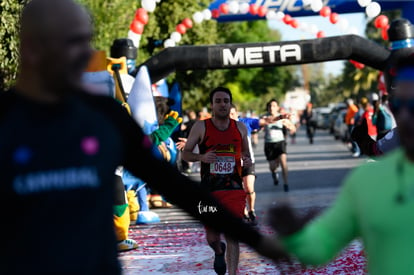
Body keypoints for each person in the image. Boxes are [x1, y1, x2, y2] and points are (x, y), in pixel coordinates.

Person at [0, 1, 287, 274]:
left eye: (87, 41)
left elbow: (174, 185)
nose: (86, 53)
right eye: (73, 42)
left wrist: (258, 241)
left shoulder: (104, 115)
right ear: (32, 48)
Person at [268, 56, 414, 275]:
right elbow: (320, 246)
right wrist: (295, 235)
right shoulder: (368, 178)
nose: (404, 116)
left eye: (413, 106)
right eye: (397, 105)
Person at [182, 87, 253, 275]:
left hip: (234, 190)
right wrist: (202, 157)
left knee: (233, 235)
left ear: (230, 104)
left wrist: (246, 161)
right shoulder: (201, 127)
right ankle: (218, 251)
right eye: (218, 101)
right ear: (212, 105)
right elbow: (185, 153)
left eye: (226, 101)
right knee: (212, 237)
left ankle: (232, 273)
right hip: (209, 191)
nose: (222, 104)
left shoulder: (240, 128)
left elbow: (246, 155)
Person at [263, 99, 296, 192]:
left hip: (280, 143)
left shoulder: (282, 117)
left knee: (283, 162)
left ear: (277, 107)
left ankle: (286, 183)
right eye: (270, 106)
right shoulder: (264, 117)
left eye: (274, 106)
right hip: (269, 144)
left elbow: (293, 129)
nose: (271, 108)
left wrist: (289, 127)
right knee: (272, 166)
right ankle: (274, 173)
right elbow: (257, 128)